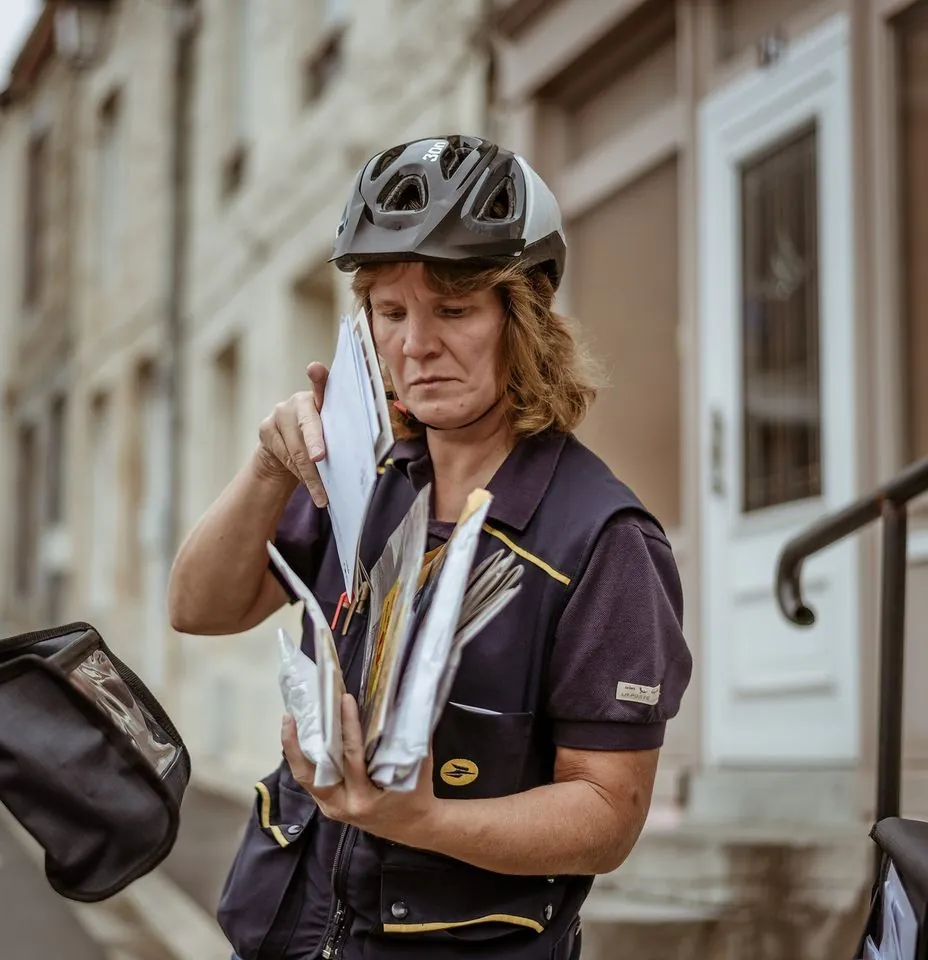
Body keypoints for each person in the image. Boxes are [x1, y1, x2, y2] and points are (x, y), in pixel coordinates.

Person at [167, 134, 693, 960]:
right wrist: (269, 467)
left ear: (522, 322)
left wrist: (425, 822)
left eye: (454, 310)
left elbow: (606, 814)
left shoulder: (604, 541)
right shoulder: (364, 474)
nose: (415, 345)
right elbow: (197, 607)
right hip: (284, 937)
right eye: (390, 311)